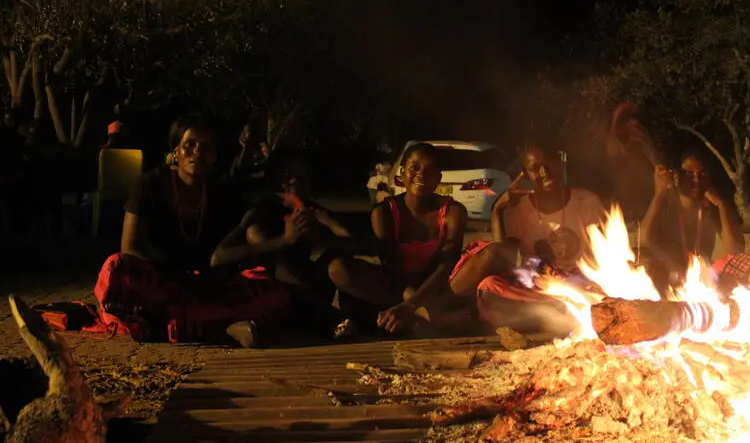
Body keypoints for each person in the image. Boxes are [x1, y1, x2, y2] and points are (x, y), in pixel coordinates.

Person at [92, 113, 290, 346]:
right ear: (175, 151)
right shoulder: (149, 185)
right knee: (117, 268)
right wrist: (177, 279)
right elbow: (131, 247)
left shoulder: (221, 192)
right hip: (161, 282)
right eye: (189, 145)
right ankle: (215, 326)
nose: (197, 152)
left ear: (215, 156)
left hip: (206, 285)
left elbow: (227, 251)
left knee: (272, 290)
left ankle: (170, 325)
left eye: (206, 147)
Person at [212, 148, 376, 337]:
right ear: (273, 180)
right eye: (287, 175)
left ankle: (321, 315)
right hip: (270, 289)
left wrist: (321, 228)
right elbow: (217, 258)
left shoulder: (312, 212)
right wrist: (284, 241)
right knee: (256, 236)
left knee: (337, 253)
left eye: (302, 175)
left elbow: (355, 243)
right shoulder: (260, 211)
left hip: (308, 287)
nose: (295, 181)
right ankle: (329, 317)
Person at [328, 143, 468, 335]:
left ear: (439, 177)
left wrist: (413, 303)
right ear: (401, 174)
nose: (421, 174)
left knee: (483, 261)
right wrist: (410, 299)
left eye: (430, 169)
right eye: (414, 167)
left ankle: (415, 316)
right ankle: (420, 317)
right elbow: (392, 266)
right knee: (338, 269)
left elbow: (447, 264)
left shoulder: (453, 211)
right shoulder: (385, 212)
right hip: (397, 285)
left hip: (435, 284)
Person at [469, 144, 608, 333]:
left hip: (579, 285)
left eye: (550, 165)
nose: (545, 173)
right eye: (535, 169)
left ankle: (541, 319)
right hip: (538, 291)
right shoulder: (519, 209)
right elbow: (503, 257)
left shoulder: (586, 201)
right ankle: (553, 317)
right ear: (525, 175)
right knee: (489, 287)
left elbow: (603, 256)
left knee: (597, 292)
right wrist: (497, 212)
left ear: (560, 165)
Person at [640, 150, 745, 288]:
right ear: (675, 175)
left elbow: (735, 250)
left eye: (702, 174)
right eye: (689, 174)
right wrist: (660, 193)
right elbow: (643, 241)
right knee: (646, 261)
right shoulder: (665, 204)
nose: (696, 180)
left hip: (701, 276)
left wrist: (722, 206)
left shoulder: (712, 207)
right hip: (666, 273)